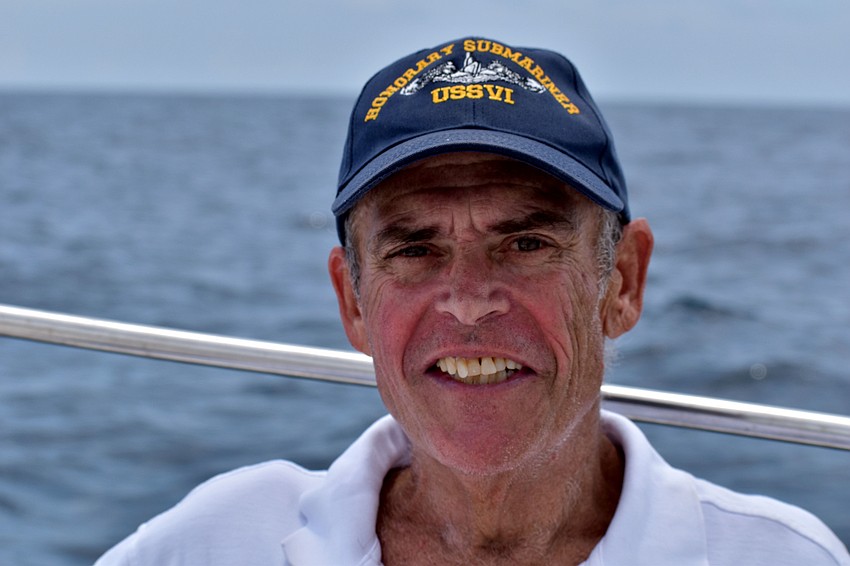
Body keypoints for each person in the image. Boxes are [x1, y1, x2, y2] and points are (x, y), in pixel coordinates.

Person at [95, 37, 850, 565]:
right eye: (414, 250)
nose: (466, 303)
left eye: (526, 245)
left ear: (621, 283)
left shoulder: (780, 556)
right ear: (351, 301)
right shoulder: (219, 540)